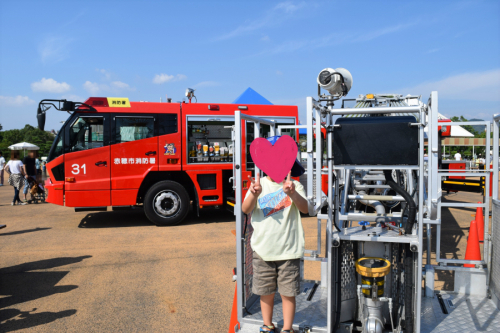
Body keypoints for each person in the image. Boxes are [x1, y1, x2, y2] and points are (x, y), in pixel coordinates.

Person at [242, 136, 307, 333]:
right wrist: (253, 194)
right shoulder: (257, 185)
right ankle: (267, 325)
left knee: (288, 294)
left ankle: (287, 329)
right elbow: (246, 209)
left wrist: (292, 194)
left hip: (289, 251)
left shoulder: (296, 186)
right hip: (263, 250)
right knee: (265, 292)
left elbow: (305, 209)